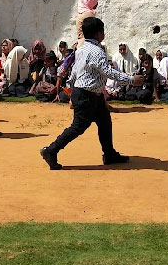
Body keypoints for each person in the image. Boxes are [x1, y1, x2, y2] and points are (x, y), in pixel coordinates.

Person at [40, 17, 143, 170]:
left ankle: (109, 154)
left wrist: (71, 90)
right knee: (79, 126)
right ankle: (51, 150)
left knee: (104, 122)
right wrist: (131, 79)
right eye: (102, 31)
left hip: (90, 94)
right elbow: (107, 71)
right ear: (98, 33)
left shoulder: (81, 49)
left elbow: (75, 71)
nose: (104, 33)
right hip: (87, 94)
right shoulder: (97, 51)